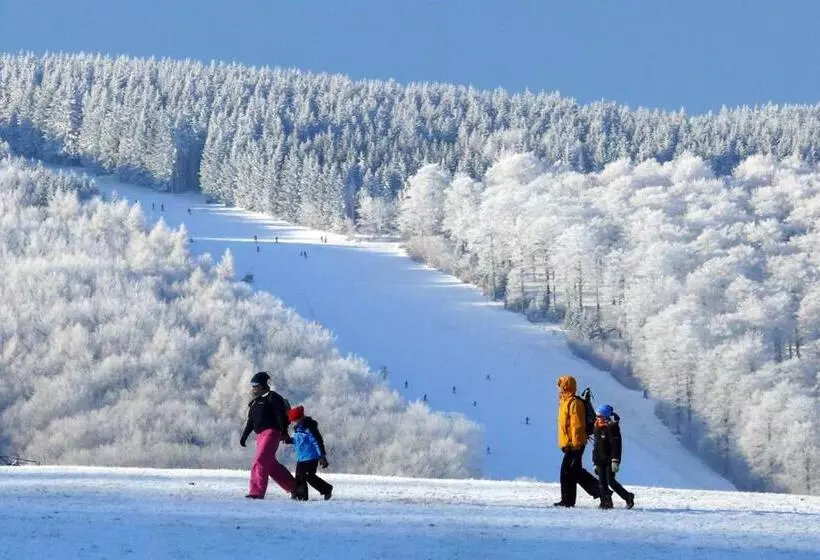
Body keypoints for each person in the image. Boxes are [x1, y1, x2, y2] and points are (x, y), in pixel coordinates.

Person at [240, 371, 296, 499]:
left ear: (263, 385)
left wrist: (284, 431)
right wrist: (244, 436)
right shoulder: (255, 402)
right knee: (270, 464)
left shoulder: (273, 397)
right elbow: (251, 421)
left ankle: (256, 492)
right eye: (252, 385)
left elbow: (279, 415)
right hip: (260, 436)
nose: (253, 388)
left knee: (259, 460)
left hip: (272, 433)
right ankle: (294, 486)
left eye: (255, 385)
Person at [554, 375, 600, 507]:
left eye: (561, 386)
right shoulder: (565, 402)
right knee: (574, 471)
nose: (559, 389)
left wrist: (575, 444)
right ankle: (599, 492)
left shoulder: (575, 403)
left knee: (567, 472)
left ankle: (569, 500)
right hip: (570, 444)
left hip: (576, 444)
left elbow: (577, 426)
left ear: (566, 387)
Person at [287, 405, 333, 501]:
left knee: (307, 476)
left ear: (300, 418)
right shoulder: (298, 428)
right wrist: (290, 440)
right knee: (300, 477)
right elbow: (299, 441)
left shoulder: (309, 427)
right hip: (301, 458)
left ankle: (323, 490)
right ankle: (301, 496)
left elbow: (317, 441)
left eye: (295, 420)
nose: (294, 422)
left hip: (311, 457)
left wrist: (322, 456)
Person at [593, 405, 635, 510]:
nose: (598, 418)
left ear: (606, 417)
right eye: (597, 416)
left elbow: (616, 446)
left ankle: (628, 496)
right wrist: (594, 461)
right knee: (602, 482)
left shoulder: (612, 428)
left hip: (609, 461)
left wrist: (615, 461)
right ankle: (606, 502)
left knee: (610, 481)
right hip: (599, 460)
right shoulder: (597, 427)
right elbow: (596, 446)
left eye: (600, 416)